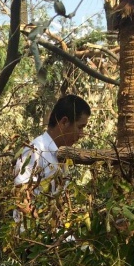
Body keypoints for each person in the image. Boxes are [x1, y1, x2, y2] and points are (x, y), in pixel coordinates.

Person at [13, 94, 91, 227]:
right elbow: (21, 198)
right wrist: (43, 229)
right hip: (34, 238)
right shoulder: (35, 151)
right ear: (64, 122)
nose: (82, 134)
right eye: (80, 127)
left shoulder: (62, 154)